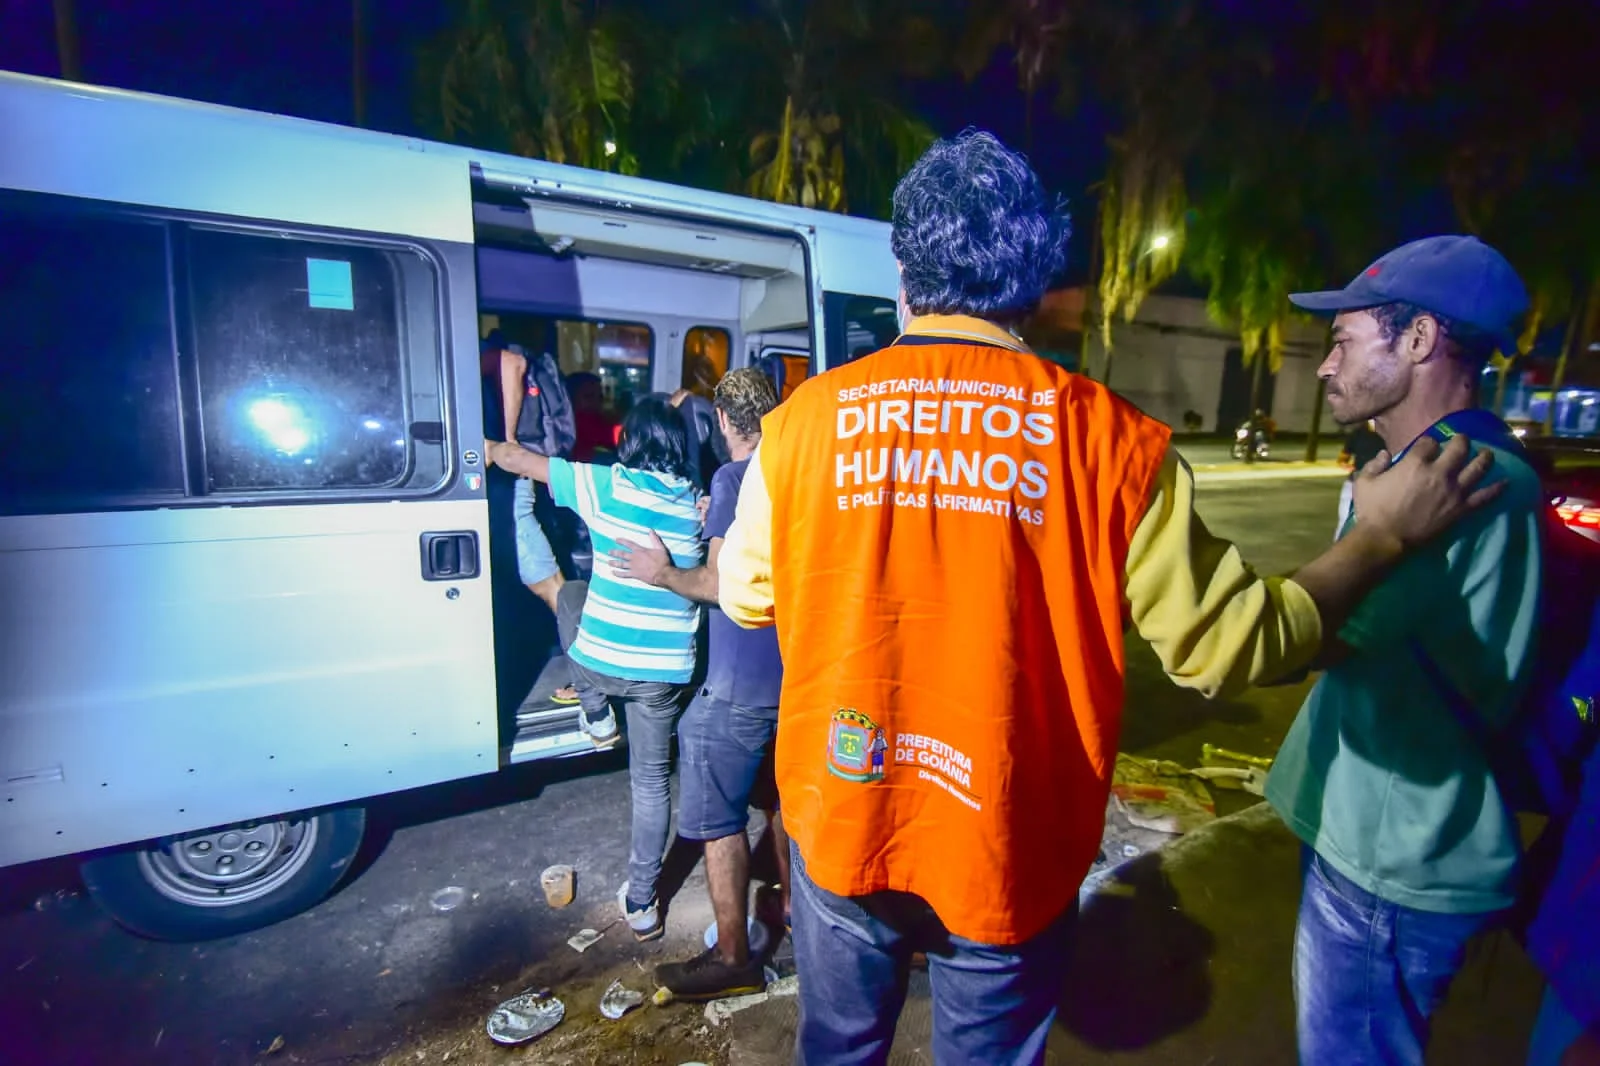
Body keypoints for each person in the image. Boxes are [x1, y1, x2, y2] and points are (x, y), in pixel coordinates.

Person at [715, 130, 1505, 1066]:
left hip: (844, 819)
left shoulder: (799, 426)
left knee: (839, 1048)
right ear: (1038, 283)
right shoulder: (1112, 446)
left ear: (901, 268)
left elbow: (746, 596)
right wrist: (1379, 541)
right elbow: (1231, 646)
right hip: (1006, 845)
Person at [1262, 235, 1543, 1065]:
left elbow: (1303, 640)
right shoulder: (1440, 465)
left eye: (1343, 343)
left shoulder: (1453, 480)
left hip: (1390, 865)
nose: (1324, 367)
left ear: (1417, 340)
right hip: (1394, 839)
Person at [485, 396, 704, 942]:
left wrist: (484, 448)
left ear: (628, 441)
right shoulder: (693, 502)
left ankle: (596, 717)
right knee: (651, 785)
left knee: (570, 599)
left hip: (604, 666)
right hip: (664, 673)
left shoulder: (604, 484)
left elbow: (520, 462)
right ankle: (642, 904)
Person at [610, 368, 789, 1001]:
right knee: (780, 804)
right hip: (789, 680)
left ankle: (733, 956)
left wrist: (661, 573)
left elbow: (718, 585)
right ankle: (792, 910)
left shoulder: (733, 476)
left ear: (722, 423)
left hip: (737, 686)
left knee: (717, 819)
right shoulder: (795, 469)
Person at [481, 334, 565, 614]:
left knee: (544, 579)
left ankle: (583, 644)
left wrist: (507, 442)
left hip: (507, 476)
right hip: (503, 477)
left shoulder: (472, 349)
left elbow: (511, 363)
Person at [1335, 420, 1386, 538]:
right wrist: (1352, 468)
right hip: (1354, 483)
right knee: (1345, 520)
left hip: (1380, 483)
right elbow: (1342, 459)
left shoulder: (1389, 434)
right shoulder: (1358, 434)